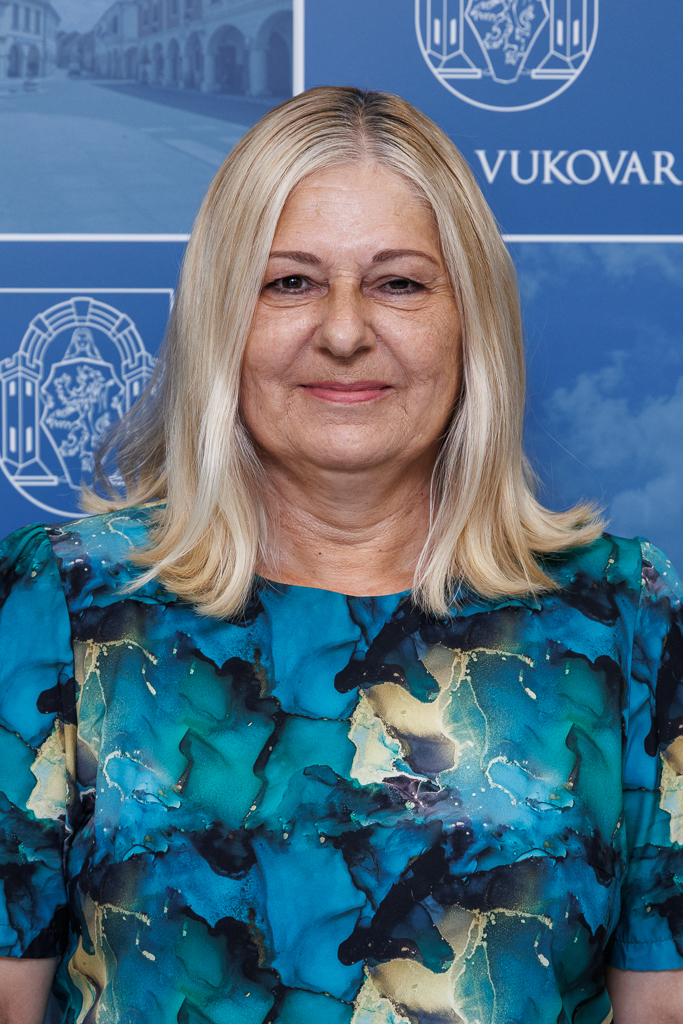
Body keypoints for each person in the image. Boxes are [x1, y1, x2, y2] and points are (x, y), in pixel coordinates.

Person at [0, 87, 681, 1024]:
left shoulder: (625, 611)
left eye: (399, 283)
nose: (345, 331)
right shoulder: (63, 601)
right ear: (219, 319)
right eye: (289, 283)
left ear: (470, 318)